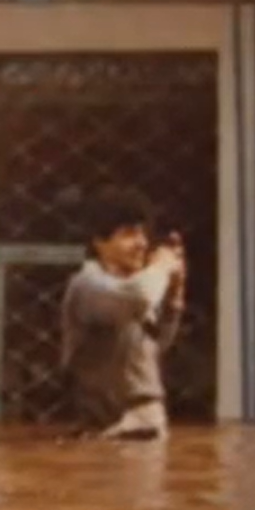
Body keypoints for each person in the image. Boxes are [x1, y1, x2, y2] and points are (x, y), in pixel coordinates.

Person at [59, 187, 186, 441]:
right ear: (99, 242)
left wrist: (175, 294)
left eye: (143, 233)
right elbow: (139, 297)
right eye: (129, 234)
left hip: (140, 424)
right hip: (111, 427)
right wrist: (162, 267)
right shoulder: (89, 284)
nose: (142, 243)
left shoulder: (132, 285)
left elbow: (154, 348)